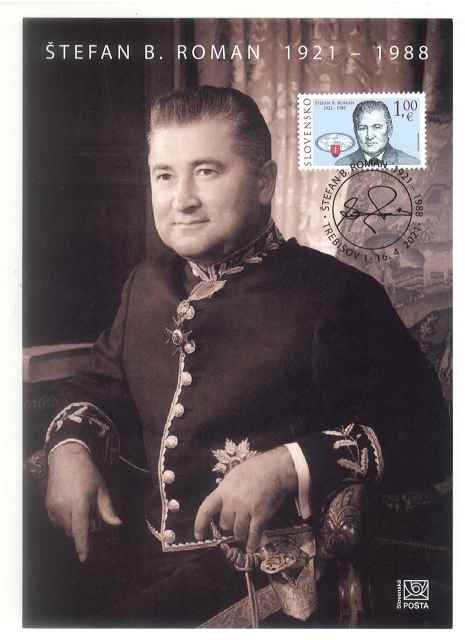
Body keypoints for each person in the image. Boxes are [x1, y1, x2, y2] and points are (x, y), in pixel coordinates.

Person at [43, 86, 448, 626]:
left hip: (272, 578)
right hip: (140, 553)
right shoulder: (147, 284)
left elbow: (427, 434)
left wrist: (287, 465)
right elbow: (98, 387)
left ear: (264, 182)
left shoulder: (337, 296)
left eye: (207, 171)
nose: (182, 199)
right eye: (164, 175)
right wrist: (69, 451)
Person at [335, 100, 420, 166]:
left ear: (390, 129)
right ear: (355, 132)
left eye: (377, 127)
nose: (369, 136)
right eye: (362, 128)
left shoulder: (412, 163)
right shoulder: (341, 164)